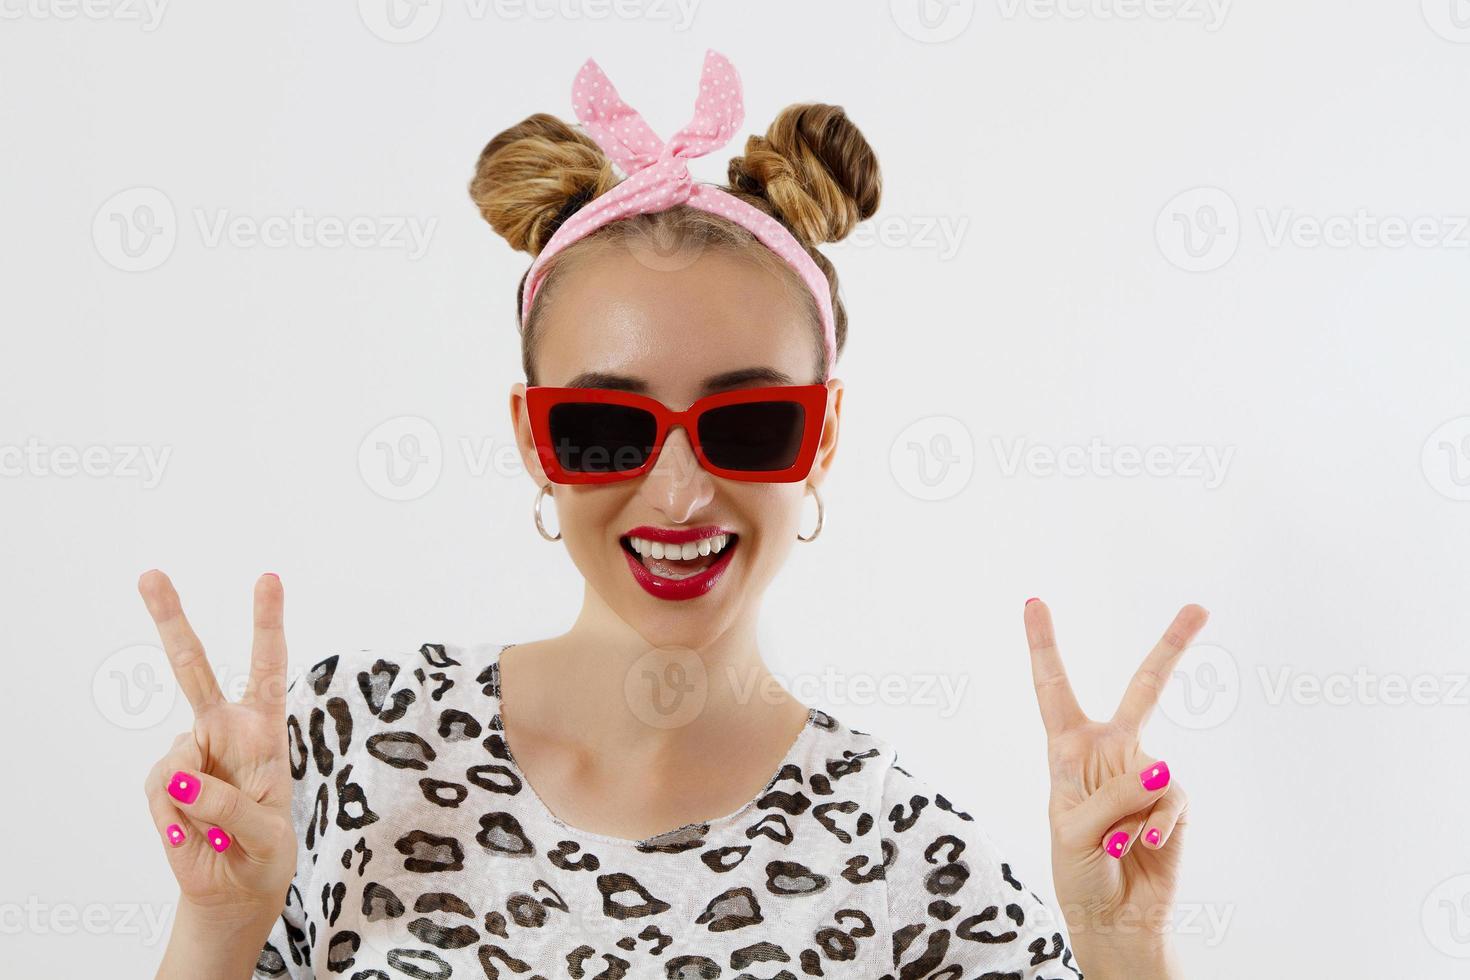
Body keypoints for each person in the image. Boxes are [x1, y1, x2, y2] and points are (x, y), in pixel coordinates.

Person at [139, 49, 1207, 979]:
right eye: (606, 424)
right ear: (532, 440)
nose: (682, 489)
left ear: (822, 438)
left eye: (749, 424)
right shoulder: (350, 741)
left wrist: (1126, 953)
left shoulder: (901, 851)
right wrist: (218, 927)